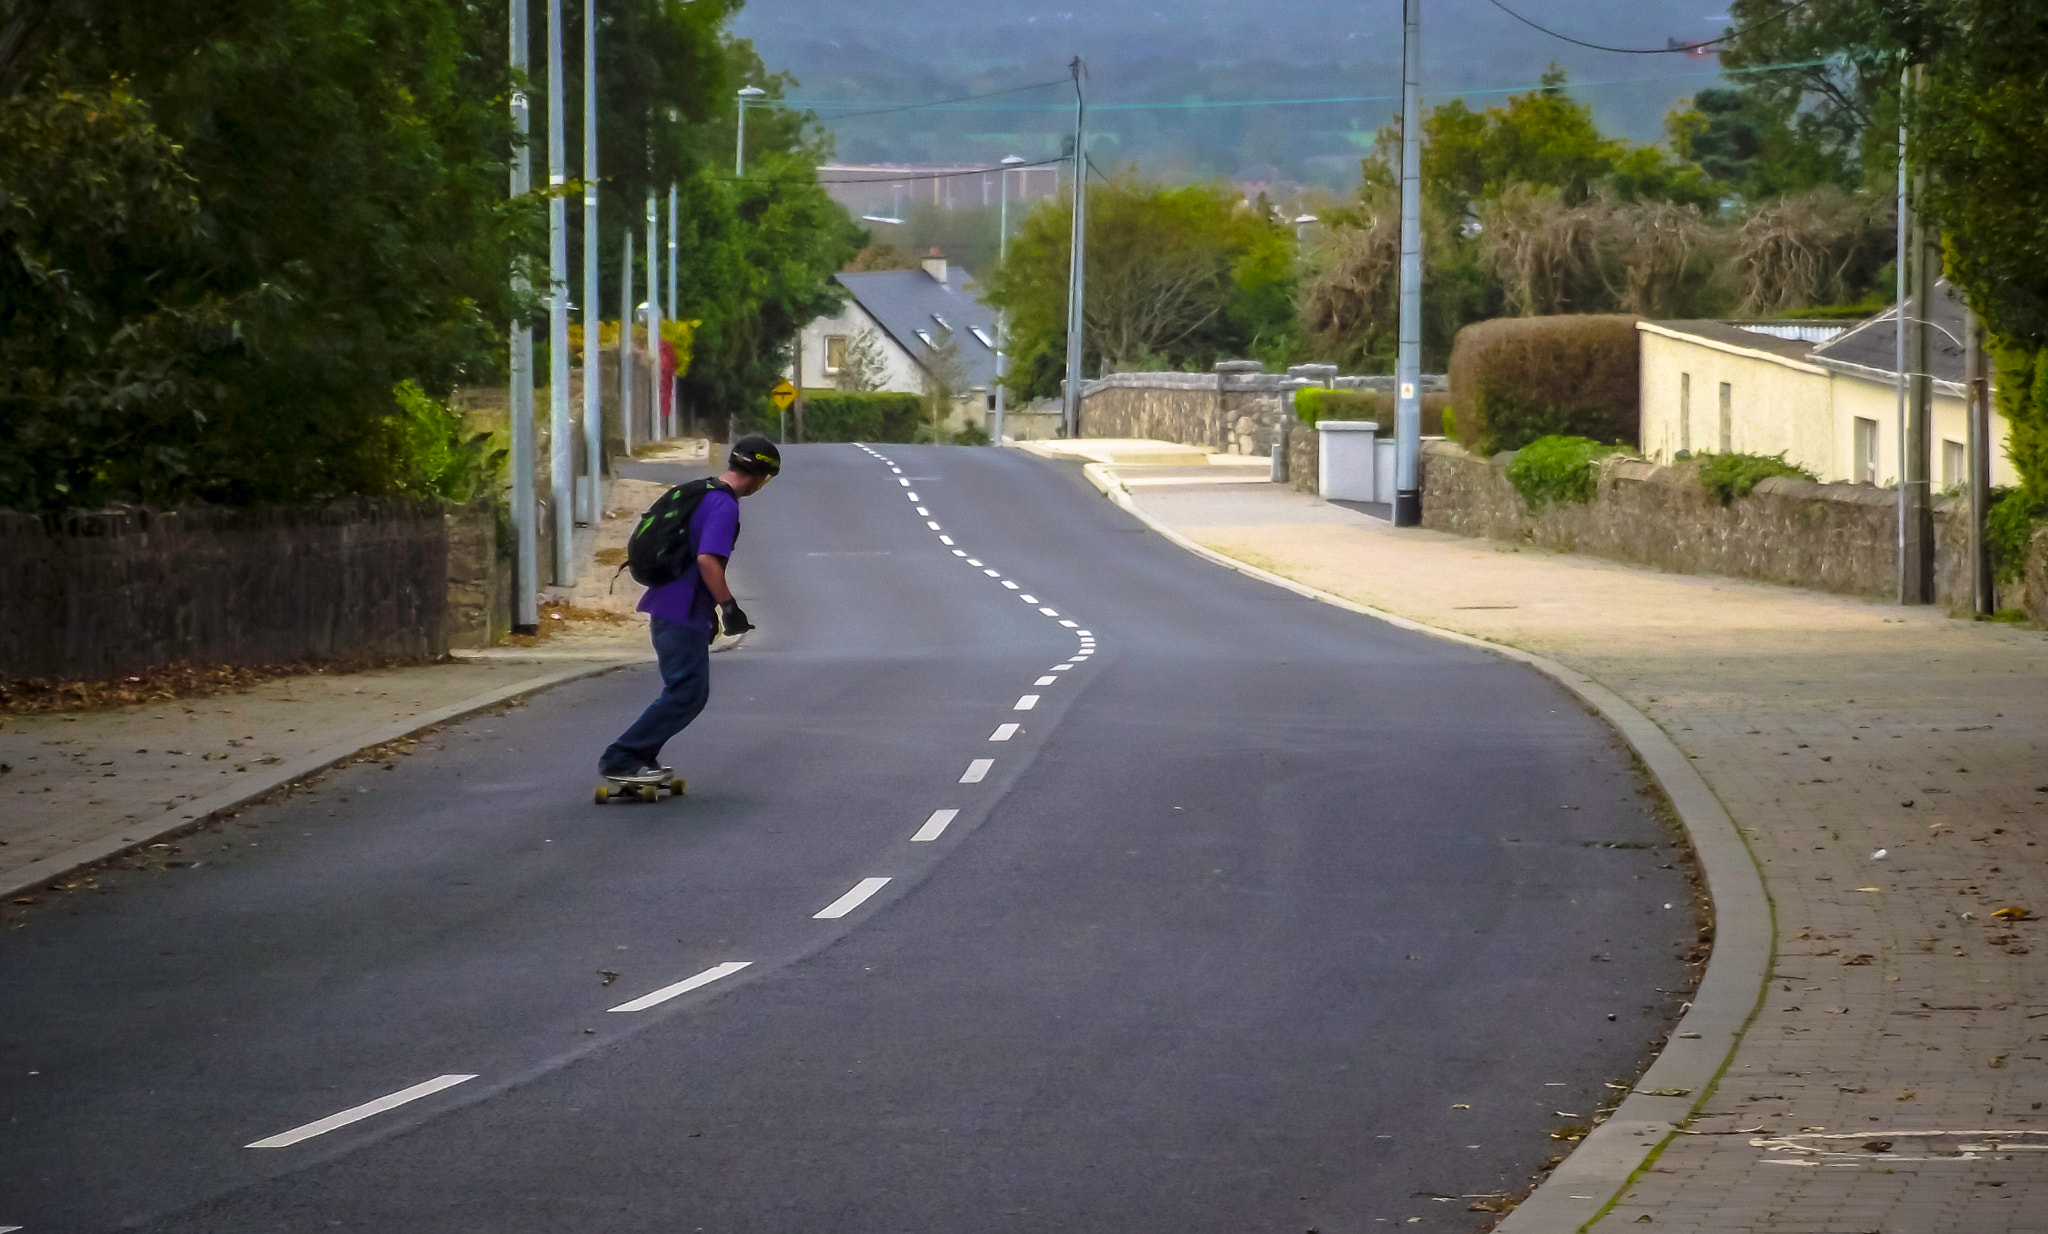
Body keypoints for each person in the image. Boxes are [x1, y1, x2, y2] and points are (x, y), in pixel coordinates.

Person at [599, 435, 781, 781]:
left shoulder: (703, 492)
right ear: (759, 476)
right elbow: (708, 560)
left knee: (686, 691)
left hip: (671, 606)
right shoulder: (724, 505)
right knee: (687, 693)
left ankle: (641, 753)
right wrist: (729, 607)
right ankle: (621, 758)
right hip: (680, 611)